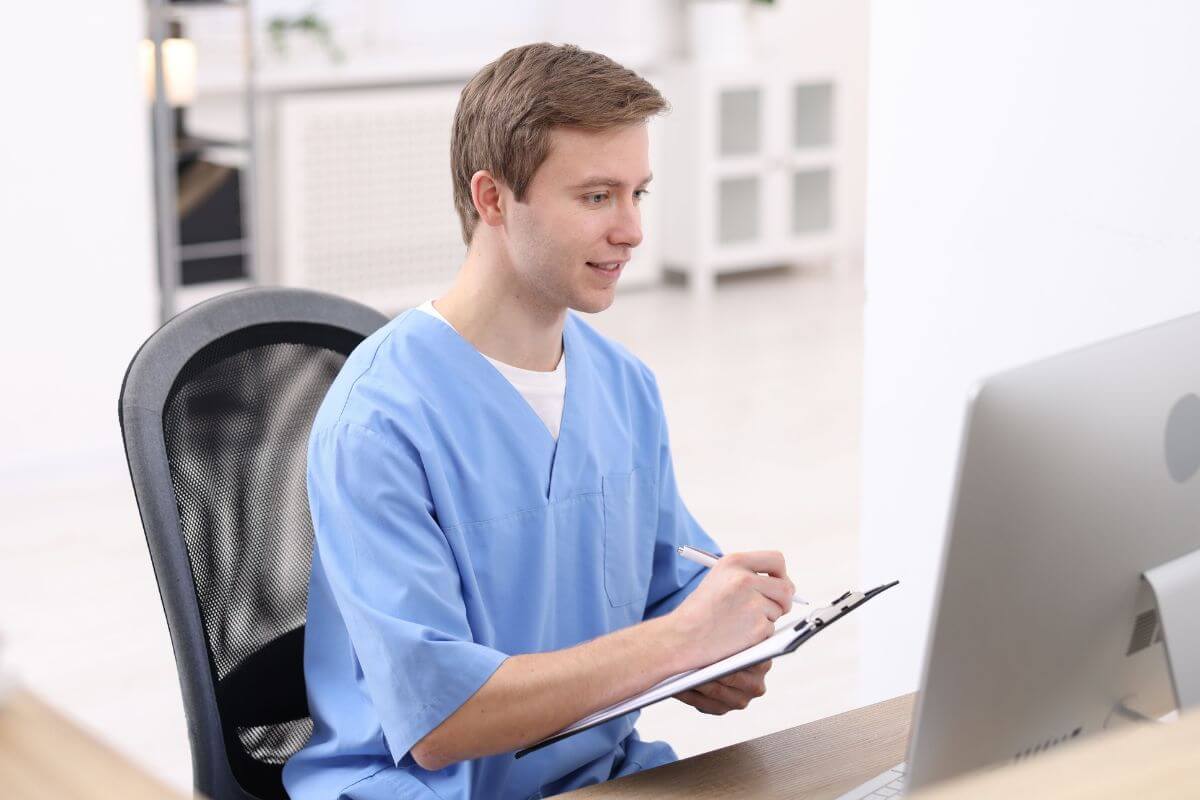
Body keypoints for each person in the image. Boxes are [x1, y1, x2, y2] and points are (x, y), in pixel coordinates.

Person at [282, 42, 796, 800]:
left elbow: (666, 588)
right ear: (492, 200)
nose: (631, 230)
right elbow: (442, 721)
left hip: (597, 777)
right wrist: (676, 644)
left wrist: (726, 640)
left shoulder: (623, 387)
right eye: (596, 197)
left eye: (637, 194)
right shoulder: (379, 423)